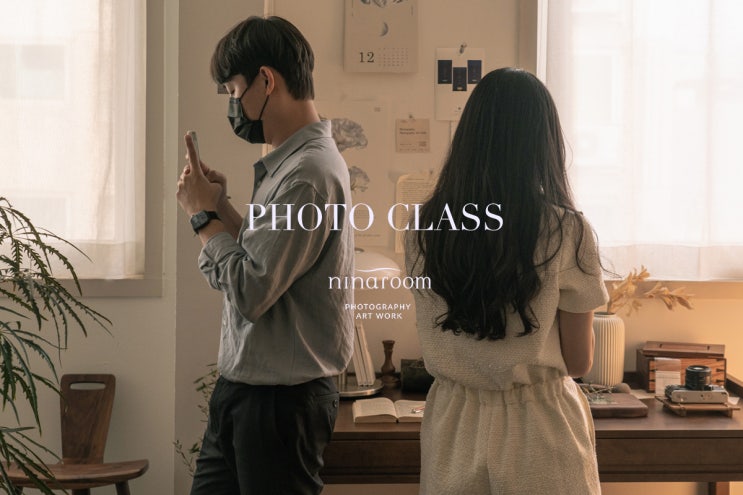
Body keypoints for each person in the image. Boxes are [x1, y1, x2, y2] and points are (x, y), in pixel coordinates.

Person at [405, 68, 608, 495]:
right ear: (543, 143)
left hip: (453, 423)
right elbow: (578, 362)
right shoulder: (566, 230)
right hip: (540, 427)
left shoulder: (424, 226)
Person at [176, 15, 354, 495]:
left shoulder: (307, 174)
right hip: (247, 392)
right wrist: (220, 208)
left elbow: (253, 291)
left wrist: (201, 216)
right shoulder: (290, 165)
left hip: (280, 405)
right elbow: (267, 262)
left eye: (235, 90)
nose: (233, 105)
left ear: (266, 81)